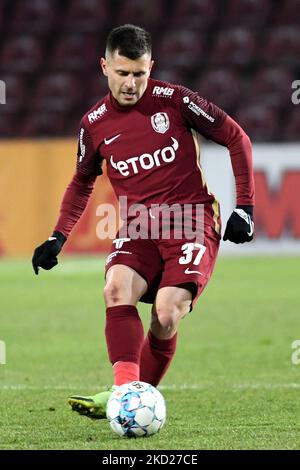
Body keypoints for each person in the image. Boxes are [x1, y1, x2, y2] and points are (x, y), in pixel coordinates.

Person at [32, 25, 255, 419]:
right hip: (139, 227)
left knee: (167, 313)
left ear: (151, 66)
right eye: (122, 73)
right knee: (116, 288)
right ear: (104, 66)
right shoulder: (94, 124)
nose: (131, 83)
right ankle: (124, 397)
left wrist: (245, 207)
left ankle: (132, 394)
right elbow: (83, 180)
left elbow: (236, 137)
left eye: (139, 73)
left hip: (191, 219)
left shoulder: (176, 101)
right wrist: (57, 236)